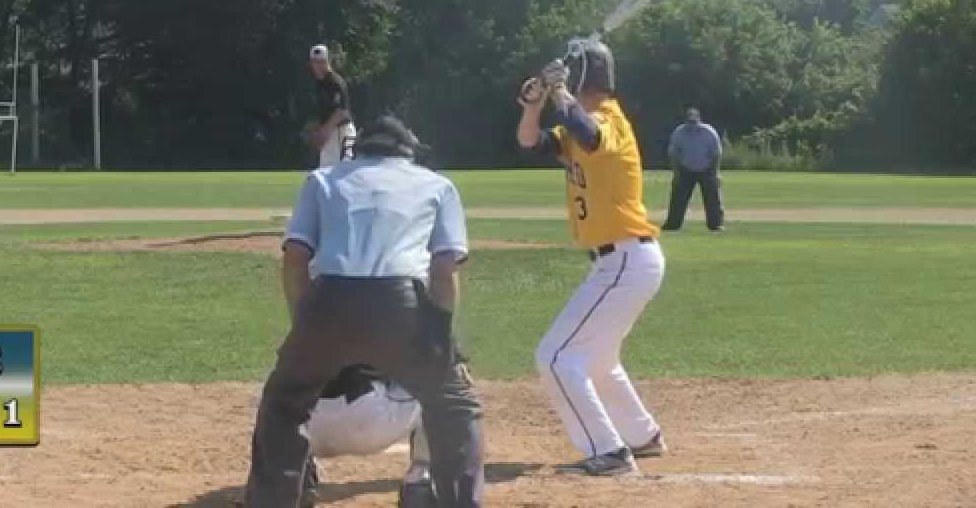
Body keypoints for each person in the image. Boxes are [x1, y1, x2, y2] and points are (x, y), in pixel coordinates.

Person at [243, 116, 485, 508]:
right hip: (401, 303)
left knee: (284, 404)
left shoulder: (323, 180)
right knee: (453, 403)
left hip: (330, 299)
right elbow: (444, 270)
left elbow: (295, 258)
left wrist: (305, 324)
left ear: (359, 149)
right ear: (409, 151)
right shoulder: (437, 184)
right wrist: (441, 338)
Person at [516, 36, 667, 477]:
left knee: (555, 357)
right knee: (598, 359)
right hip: (618, 262)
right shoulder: (578, 121)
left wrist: (560, 93)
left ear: (583, 76)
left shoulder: (610, 119)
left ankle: (609, 452)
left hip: (626, 259)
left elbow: (590, 135)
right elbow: (530, 143)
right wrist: (532, 104)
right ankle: (641, 435)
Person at [299, 364, 439, 508]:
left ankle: (298, 478)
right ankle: (420, 482)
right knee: (437, 384)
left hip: (306, 428)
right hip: (368, 424)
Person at [661, 107, 725, 232]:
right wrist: (676, 173)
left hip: (706, 168)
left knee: (713, 198)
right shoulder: (679, 132)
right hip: (685, 169)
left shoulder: (709, 132)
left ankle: (716, 224)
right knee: (678, 198)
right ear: (686, 121)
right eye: (690, 122)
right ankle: (673, 224)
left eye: (694, 122)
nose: (692, 125)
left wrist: (715, 172)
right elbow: (673, 154)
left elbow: (717, 154)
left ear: (699, 120)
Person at [307, 45, 356, 167]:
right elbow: (322, 112)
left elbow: (341, 112)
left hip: (341, 132)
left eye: (321, 61)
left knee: (338, 172)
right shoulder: (319, 84)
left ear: (328, 61)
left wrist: (324, 132)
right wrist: (315, 130)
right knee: (326, 172)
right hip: (330, 133)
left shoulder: (334, 82)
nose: (318, 65)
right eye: (315, 61)